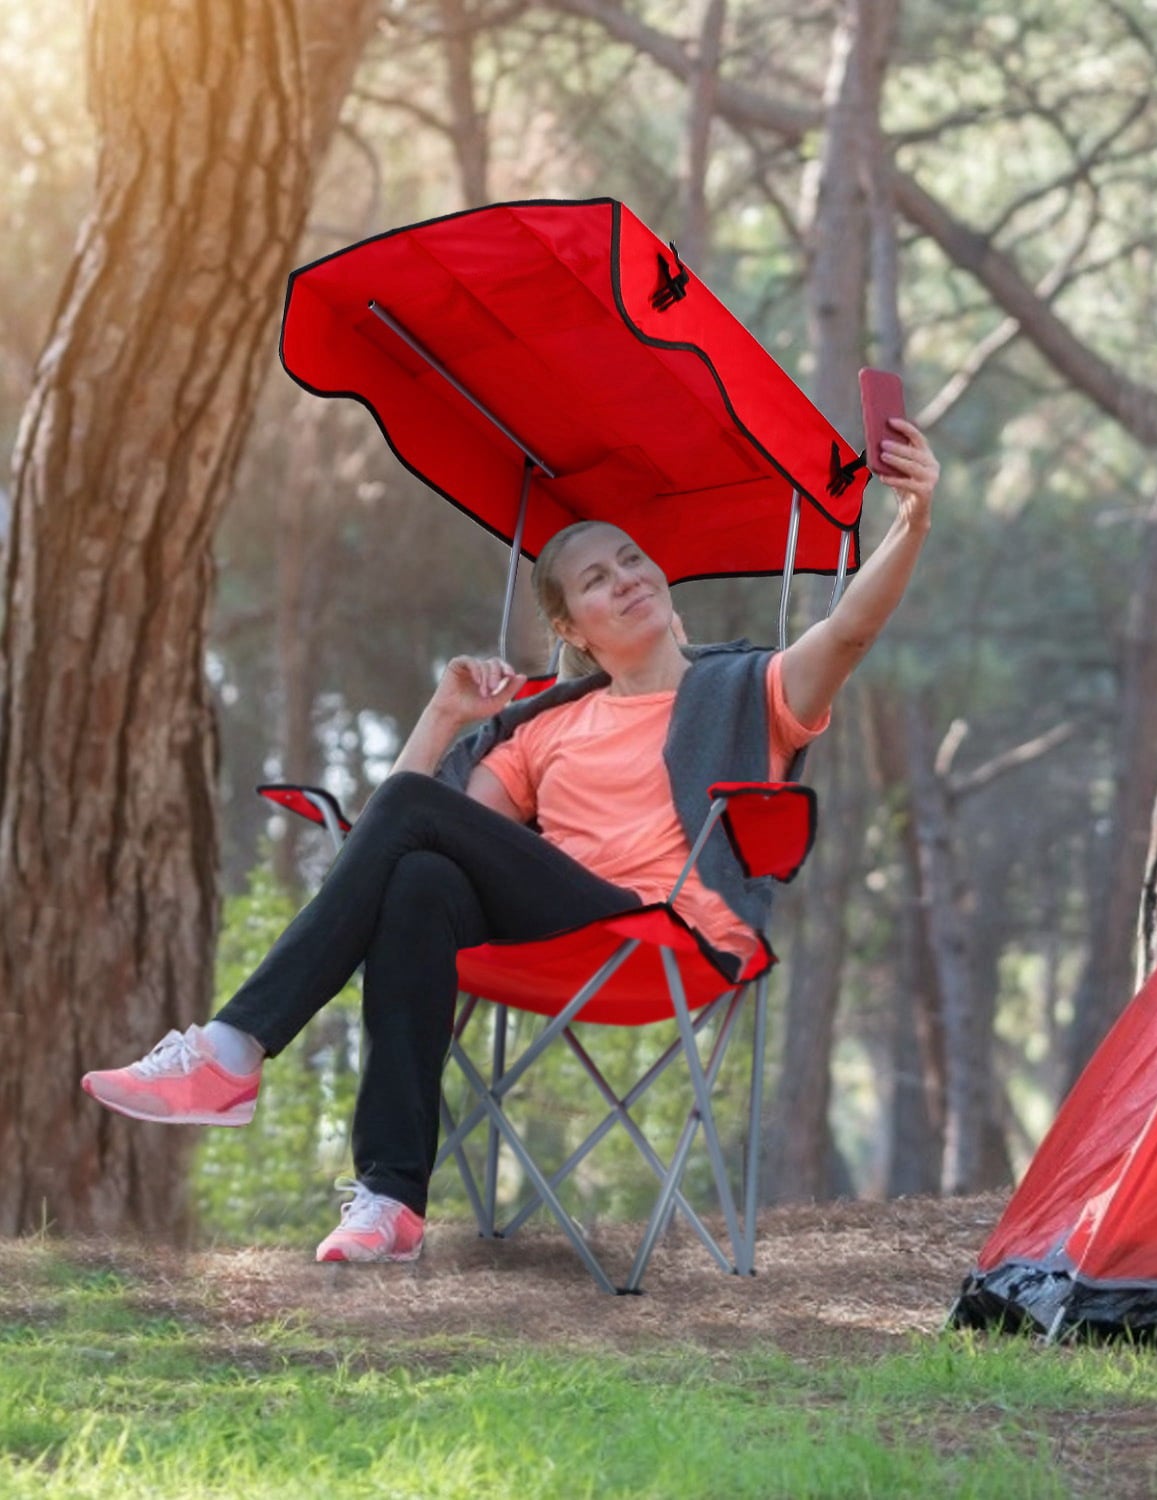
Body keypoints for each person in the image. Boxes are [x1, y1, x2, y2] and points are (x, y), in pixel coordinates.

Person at [82, 419, 940, 1263]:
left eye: (633, 560)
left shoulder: (750, 685)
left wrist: (910, 522)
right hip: (554, 926)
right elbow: (403, 832)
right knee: (416, 876)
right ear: (572, 631)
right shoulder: (542, 729)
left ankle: (232, 1050)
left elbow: (850, 632)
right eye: (598, 579)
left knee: (415, 827)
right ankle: (390, 1198)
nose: (627, 579)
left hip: (666, 933)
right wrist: (448, 715)